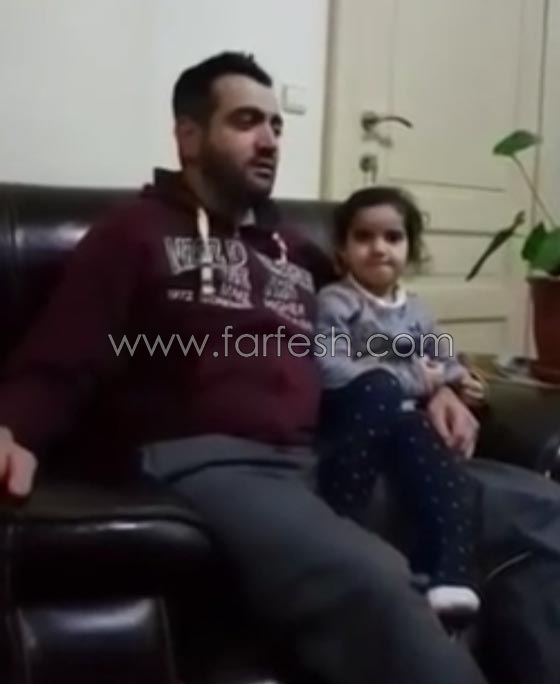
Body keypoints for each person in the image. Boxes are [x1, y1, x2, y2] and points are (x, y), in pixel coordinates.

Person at [0, 51, 559, 684]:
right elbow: (60, 356)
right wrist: (13, 428)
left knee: (543, 512)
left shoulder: (298, 250)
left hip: (332, 453)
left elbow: (376, 332)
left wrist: (440, 388)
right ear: (189, 136)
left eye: (276, 125)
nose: (269, 140)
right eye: (246, 121)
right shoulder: (133, 233)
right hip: (213, 462)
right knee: (376, 583)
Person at [315, 186, 484, 616]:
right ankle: (343, 518)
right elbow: (328, 366)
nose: (378, 248)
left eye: (392, 237)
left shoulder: (419, 312)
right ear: (342, 249)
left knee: (431, 450)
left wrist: (460, 380)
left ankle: (448, 573)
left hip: (402, 420)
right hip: (353, 410)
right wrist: (411, 379)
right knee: (380, 387)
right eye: (363, 237)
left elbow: (443, 356)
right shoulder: (337, 301)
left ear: (410, 248)